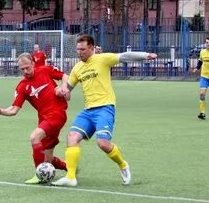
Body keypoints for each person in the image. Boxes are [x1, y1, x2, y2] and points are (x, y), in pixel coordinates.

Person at [53, 34, 157, 187]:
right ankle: (70, 177)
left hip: (105, 108)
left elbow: (124, 56)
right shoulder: (77, 68)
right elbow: (68, 88)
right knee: (72, 137)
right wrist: (61, 91)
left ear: (91, 48)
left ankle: (123, 165)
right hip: (88, 111)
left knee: (102, 143)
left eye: (82, 49)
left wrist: (145, 55)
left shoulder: (102, 59)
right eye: (77, 49)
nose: (79, 52)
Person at [0, 52, 69, 184]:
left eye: (27, 67)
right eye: (22, 69)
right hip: (44, 118)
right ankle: (69, 167)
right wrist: (1, 111)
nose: (25, 71)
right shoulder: (22, 87)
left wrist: (64, 87)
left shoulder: (45, 70)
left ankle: (39, 175)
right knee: (47, 159)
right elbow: (14, 110)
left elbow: (64, 76)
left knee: (34, 137)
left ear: (33, 63)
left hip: (57, 114)